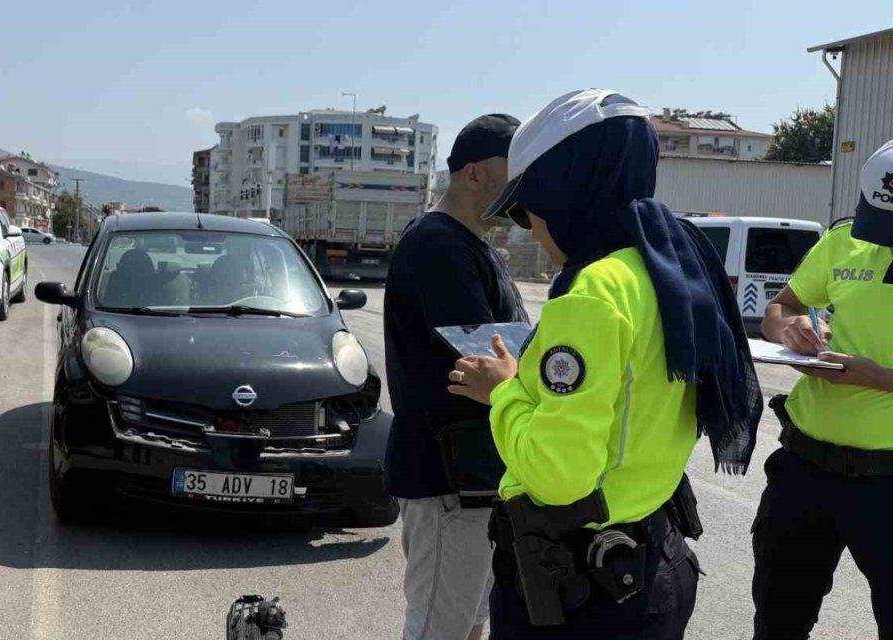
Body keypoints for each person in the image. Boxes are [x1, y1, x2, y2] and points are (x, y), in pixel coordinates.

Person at [447, 89, 763, 639]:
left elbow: (558, 474)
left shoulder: (592, 294)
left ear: (568, 193)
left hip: (583, 595)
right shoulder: (668, 262)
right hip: (651, 562)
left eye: (527, 210)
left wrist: (504, 390)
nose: (531, 230)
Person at [383, 114, 529, 640]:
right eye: (515, 174)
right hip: (447, 482)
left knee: (468, 625)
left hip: (471, 479)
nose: (523, 189)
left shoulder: (469, 244)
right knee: (439, 630)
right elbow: (490, 358)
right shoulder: (439, 246)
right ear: (474, 175)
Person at [752, 139, 893, 639]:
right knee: (778, 620)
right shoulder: (843, 241)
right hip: (805, 470)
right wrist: (789, 329)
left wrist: (878, 379)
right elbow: (781, 307)